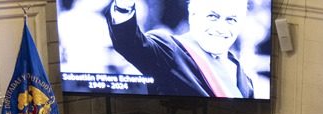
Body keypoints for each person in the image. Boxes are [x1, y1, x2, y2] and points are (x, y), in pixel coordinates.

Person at [106, 0, 255, 98]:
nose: (221, 28)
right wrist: (123, 6)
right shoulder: (168, 48)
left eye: (231, 19)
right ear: (192, 15)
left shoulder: (244, 79)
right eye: (212, 17)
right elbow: (128, 43)